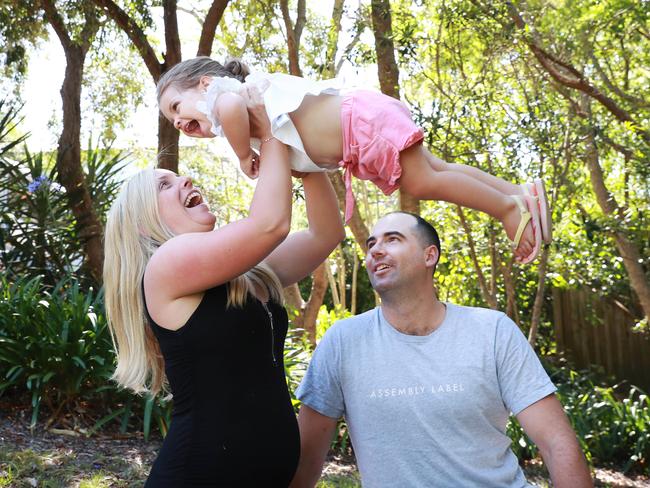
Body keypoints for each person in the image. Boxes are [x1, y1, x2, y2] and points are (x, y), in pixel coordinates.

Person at [102, 86, 345, 487]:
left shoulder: (246, 276)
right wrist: (270, 135)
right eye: (165, 185)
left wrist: (302, 155)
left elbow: (325, 234)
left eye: (178, 176)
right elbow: (270, 224)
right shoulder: (166, 267)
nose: (184, 180)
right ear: (145, 225)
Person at [290, 212, 592, 488]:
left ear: (429, 255)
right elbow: (305, 459)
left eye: (392, 239)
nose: (375, 251)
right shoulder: (343, 341)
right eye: (371, 245)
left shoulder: (492, 331)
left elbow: (556, 442)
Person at [155, 56, 552, 265]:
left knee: (422, 182)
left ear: (204, 83)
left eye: (176, 106)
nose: (177, 121)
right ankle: (516, 193)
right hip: (360, 125)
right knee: (436, 170)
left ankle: (505, 210)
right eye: (170, 120)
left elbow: (230, 110)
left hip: (359, 125)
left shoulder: (226, 95)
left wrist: (243, 155)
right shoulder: (248, 110)